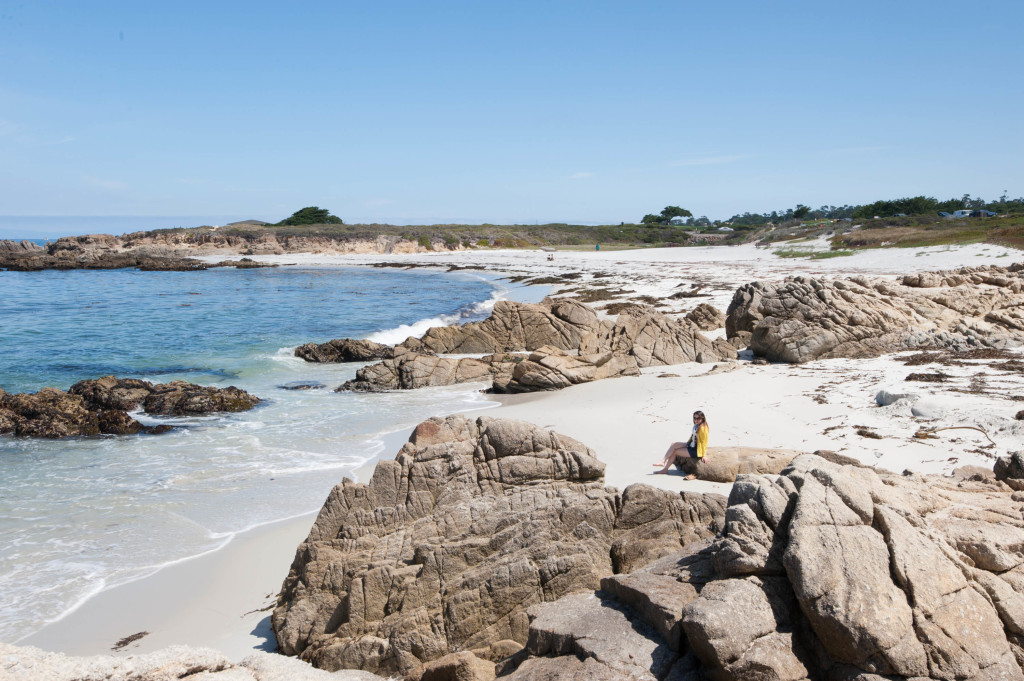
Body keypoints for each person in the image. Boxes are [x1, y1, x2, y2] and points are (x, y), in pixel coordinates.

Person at [653, 411, 709, 479]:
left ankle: (665, 470)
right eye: (695, 418)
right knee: (674, 444)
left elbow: (704, 442)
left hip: (696, 449)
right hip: (691, 444)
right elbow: (693, 437)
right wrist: (687, 443)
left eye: (698, 418)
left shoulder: (703, 428)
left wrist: (704, 455)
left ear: (702, 418)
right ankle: (662, 461)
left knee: (675, 452)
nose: (696, 420)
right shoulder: (697, 425)